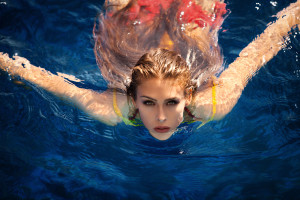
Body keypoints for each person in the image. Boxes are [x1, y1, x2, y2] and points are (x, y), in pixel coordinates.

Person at [0, 0, 299, 141]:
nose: (160, 118)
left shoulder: (111, 110)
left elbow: (44, 79)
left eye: (171, 102)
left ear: (189, 96)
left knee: (122, 10)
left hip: (135, 23)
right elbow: (256, 53)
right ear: (133, 97)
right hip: (190, 24)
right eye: (148, 102)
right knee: (199, 19)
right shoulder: (216, 106)